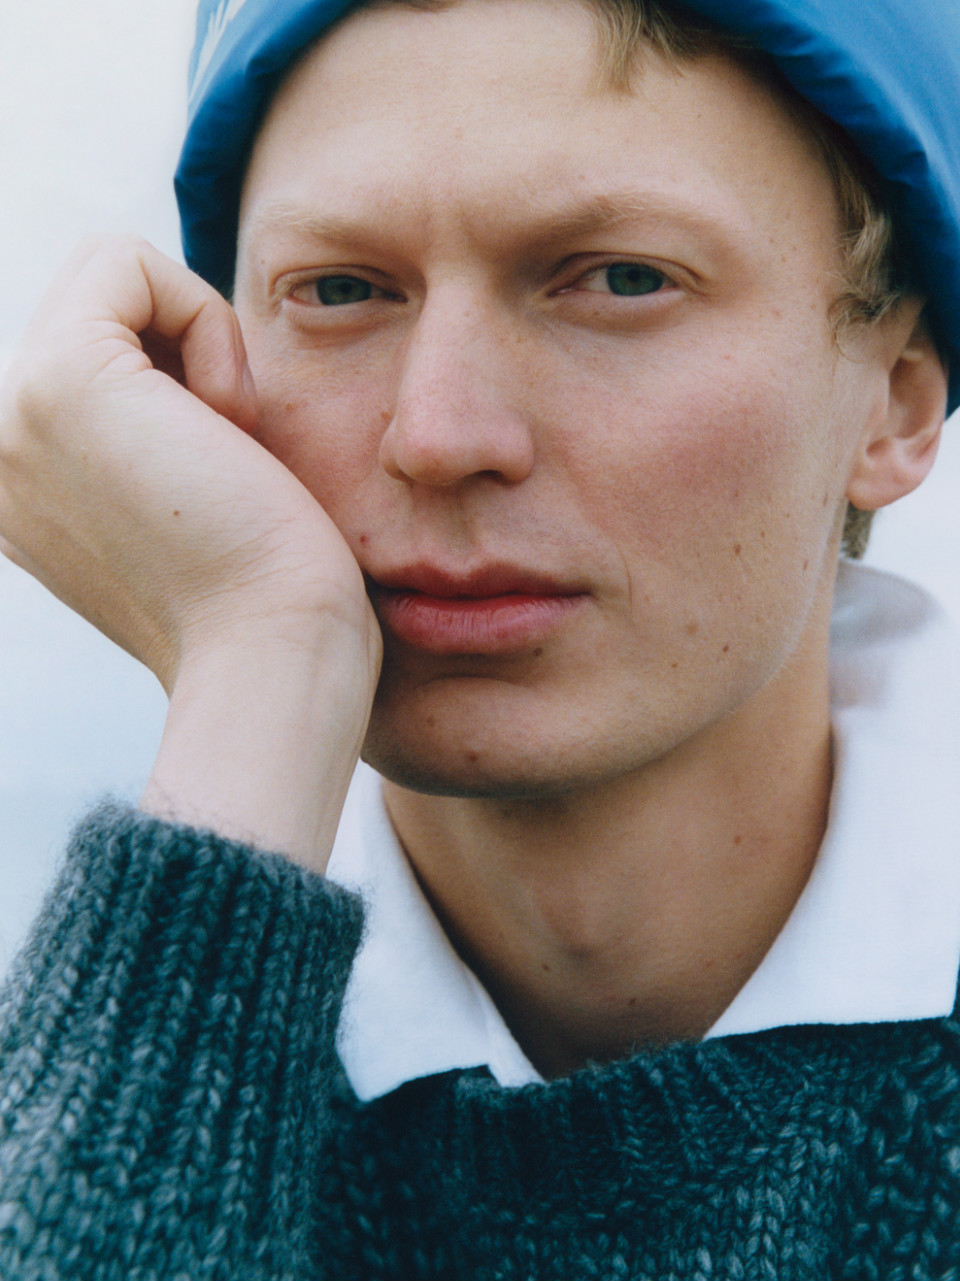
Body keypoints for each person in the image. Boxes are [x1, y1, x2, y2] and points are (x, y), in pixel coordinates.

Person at [1, 0, 959, 1274]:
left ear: (898, 401)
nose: (440, 433)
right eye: (340, 290)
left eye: (621, 278)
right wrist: (258, 666)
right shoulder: (79, 1062)